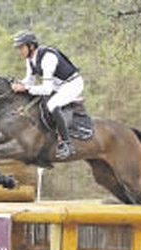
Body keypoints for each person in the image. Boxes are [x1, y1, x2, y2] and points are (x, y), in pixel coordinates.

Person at [11, 31, 84, 160]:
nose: (19, 51)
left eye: (21, 47)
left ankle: (67, 143)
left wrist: (25, 88)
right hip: (59, 85)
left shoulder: (48, 58)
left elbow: (46, 89)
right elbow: (29, 80)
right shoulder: (30, 59)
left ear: (31, 46)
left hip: (72, 84)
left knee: (52, 104)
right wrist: (17, 84)